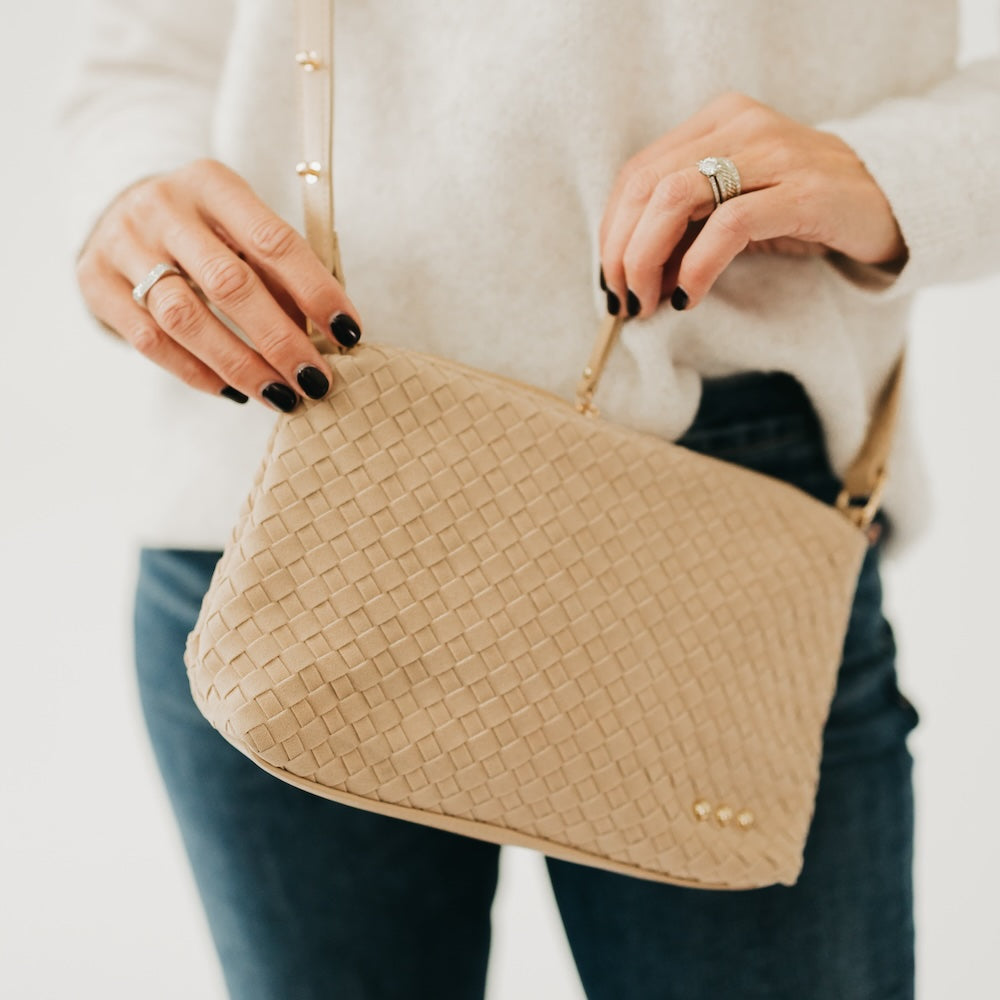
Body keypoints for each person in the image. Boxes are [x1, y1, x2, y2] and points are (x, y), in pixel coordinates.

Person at [58, 1, 999, 997]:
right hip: (282, 499)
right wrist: (130, 200)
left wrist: (894, 170)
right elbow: (145, 56)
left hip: (709, 533)